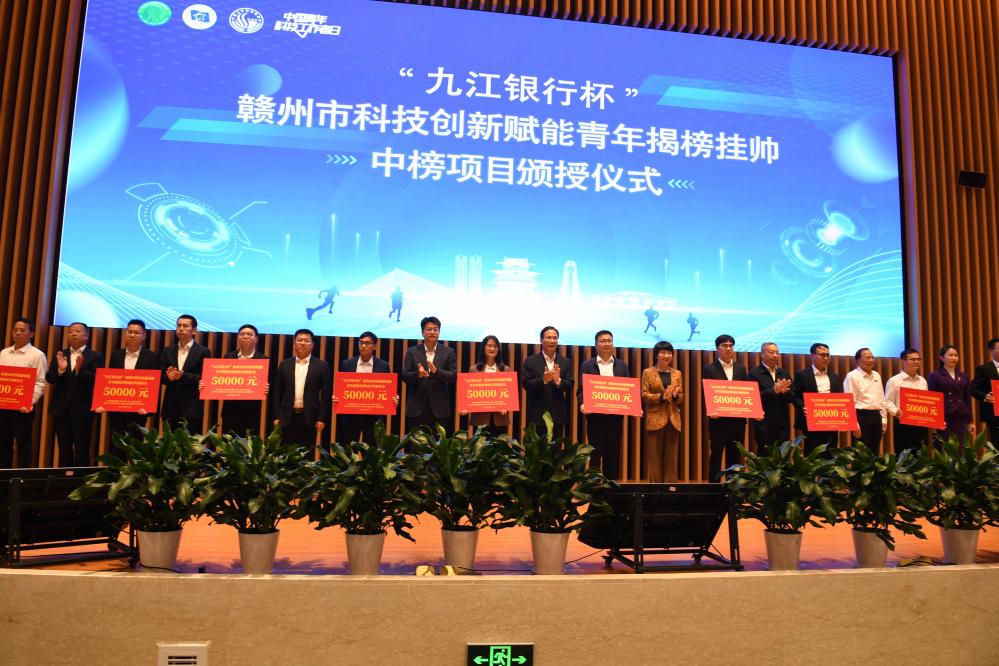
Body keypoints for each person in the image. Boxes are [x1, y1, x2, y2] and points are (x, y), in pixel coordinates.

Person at [45, 322, 103, 466]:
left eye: (77, 331)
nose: (73, 334)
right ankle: (64, 479)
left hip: (83, 411)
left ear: (86, 335)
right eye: (70, 331)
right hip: (61, 410)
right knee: (63, 449)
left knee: (82, 450)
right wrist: (61, 370)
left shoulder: (95, 356)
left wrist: (79, 370)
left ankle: (80, 479)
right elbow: (50, 378)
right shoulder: (61, 354)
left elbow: (97, 380)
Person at [578, 330, 631, 481]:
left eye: (609, 340)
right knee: (595, 455)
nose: (607, 343)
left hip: (615, 418)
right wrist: (582, 404)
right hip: (595, 418)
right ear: (596, 344)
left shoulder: (622, 366)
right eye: (603, 341)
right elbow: (581, 390)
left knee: (613, 455)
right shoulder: (587, 365)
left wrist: (633, 405)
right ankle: (594, 487)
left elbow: (629, 390)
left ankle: (611, 489)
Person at [271, 328, 331, 452]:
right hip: (287, 417)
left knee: (307, 455)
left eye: (306, 341)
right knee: (286, 455)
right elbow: (277, 392)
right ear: (294, 343)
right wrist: (276, 416)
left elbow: (326, 395)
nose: (302, 343)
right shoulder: (284, 364)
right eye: (299, 340)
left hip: (310, 418)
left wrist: (322, 418)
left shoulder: (322, 366)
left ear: (312, 345)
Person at [0, 317, 48, 468]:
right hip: (3, 406)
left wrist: (28, 402)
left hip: (23, 408)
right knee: (3, 444)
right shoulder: (4, 353)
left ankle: (23, 478)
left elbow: (41, 383)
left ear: (31, 334)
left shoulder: (37, 355)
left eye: (22, 330)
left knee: (24, 445)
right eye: (15, 330)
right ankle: (3, 477)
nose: (18, 333)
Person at [105, 319, 159, 447]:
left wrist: (149, 408)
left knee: (136, 447)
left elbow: (154, 385)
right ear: (125, 333)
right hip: (117, 409)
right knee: (117, 447)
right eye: (130, 332)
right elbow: (110, 381)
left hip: (139, 410)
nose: (133, 335)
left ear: (144, 335)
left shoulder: (151, 357)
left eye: (137, 333)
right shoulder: (116, 355)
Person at [336, 331, 395, 444]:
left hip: (374, 417)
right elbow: (342, 388)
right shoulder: (347, 364)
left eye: (367, 343)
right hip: (351, 415)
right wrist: (337, 397)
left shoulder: (383, 366)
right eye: (361, 343)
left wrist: (392, 399)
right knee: (348, 449)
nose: (363, 346)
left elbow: (387, 390)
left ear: (375, 346)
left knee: (371, 450)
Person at [702, 334, 749, 477]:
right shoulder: (709, 368)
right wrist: (711, 410)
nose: (728, 348)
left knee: (735, 456)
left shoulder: (741, 369)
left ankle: (732, 486)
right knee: (716, 454)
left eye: (730, 346)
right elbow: (706, 393)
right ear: (717, 348)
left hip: (737, 420)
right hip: (718, 420)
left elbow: (746, 392)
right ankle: (714, 487)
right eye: (724, 346)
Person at [401, 316, 456, 433]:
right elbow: (405, 376)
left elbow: (454, 376)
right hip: (416, 408)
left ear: (439, 332)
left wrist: (437, 371)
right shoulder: (412, 351)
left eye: (435, 329)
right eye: (429, 329)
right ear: (422, 332)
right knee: (416, 443)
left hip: (440, 409)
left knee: (438, 443)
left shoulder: (449, 352)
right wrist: (418, 374)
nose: (432, 332)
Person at [160, 314, 211, 433]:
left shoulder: (203, 351)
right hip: (170, 407)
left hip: (192, 408)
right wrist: (168, 377)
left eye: (185, 326)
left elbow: (204, 377)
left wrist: (183, 376)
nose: (181, 329)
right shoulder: (167, 351)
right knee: (170, 442)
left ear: (194, 330)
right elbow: (160, 377)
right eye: (178, 326)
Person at [521, 326, 574, 440]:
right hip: (537, 415)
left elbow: (570, 385)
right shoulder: (530, 361)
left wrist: (558, 381)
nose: (552, 341)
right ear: (541, 340)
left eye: (555, 338)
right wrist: (543, 380)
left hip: (558, 416)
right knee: (537, 449)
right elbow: (526, 384)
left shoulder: (565, 362)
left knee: (556, 449)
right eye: (548, 337)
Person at [640, 340, 682, 482]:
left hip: (673, 419)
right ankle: (654, 489)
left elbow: (681, 397)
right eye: (663, 352)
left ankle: (670, 489)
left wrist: (676, 396)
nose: (666, 356)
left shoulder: (677, 373)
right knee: (654, 457)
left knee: (672, 458)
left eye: (669, 353)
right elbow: (644, 395)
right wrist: (662, 397)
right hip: (655, 418)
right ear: (656, 355)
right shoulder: (647, 372)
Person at [793, 342, 843, 455]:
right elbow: (795, 396)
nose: (825, 358)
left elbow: (839, 399)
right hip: (812, 421)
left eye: (827, 355)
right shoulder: (802, 375)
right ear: (812, 356)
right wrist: (803, 407)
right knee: (812, 454)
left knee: (831, 454)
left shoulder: (834, 376)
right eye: (822, 355)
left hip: (831, 421)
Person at [220, 324, 268, 438]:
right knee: (228, 445)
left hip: (251, 412)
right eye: (242, 334)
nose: (245, 336)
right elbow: (220, 378)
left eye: (249, 334)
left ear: (256, 338)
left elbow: (269, 381)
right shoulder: (228, 357)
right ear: (238, 337)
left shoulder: (263, 359)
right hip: (230, 411)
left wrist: (267, 386)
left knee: (248, 445)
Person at [748, 341, 793, 453]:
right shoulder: (754, 373)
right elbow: (752, 397)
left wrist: (785, 392)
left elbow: (792, 396)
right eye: (772, 352)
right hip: (764, 424)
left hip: (783, 424)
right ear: (762, 354)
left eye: (777, 353)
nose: (775, 355)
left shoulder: (784, 373)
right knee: (765, 456)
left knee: (783, 456)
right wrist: (773, 391)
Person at [464, 335, 511, 437]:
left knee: (499, 446)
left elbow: (509, 394)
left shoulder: (505, 369)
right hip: (480, 418)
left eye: (495, 346)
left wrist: (505, 406)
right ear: (483, 348)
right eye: (489, 346)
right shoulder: (474, 369)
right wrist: (465, 406)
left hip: (499, 418)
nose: (492, 349)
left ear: (498, 349)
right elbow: (468, 393)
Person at [884, 348, 929, 454]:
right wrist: (896, 412)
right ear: (903, 361)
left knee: (920, 455)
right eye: (913, 359)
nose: (917, 362)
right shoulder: (894, 381)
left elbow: (926, 401)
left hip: (921, 423)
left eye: (919, 359)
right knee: (903, 455)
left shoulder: (923, 381)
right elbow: (887, 401)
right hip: (903, 424)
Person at [843, 348, 887, 453]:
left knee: (874, 451)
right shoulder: (852, 376)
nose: (871, 360)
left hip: (876, 416)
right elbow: (849, 402)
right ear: (858, 360)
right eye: (868, 358)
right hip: (861, 417)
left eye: (872, 357)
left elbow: (881, 398)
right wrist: (854, 424)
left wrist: (884, 419)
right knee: (860, 453)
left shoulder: (877, 375)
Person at [927, 344, 972, 443]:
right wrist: (935, 420)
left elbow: (967, 398)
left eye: (956, 355)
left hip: (961, 416)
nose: (954, 358)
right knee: (945, 447)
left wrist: (970, 421)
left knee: (962, 447)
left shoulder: (964, 376)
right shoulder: (935, 376)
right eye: (950, 355)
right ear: (941, 357)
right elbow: (932, 400)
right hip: (944, 417)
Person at [972, 338, 999, 446]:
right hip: (994, 414)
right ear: (991, 351)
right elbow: (973, 388)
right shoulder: (983, 369)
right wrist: (985, 396)